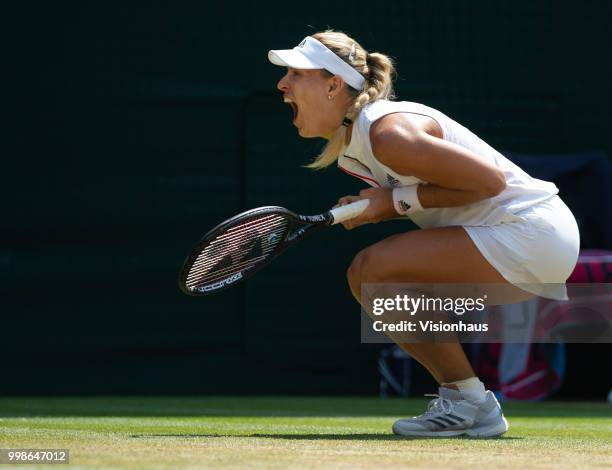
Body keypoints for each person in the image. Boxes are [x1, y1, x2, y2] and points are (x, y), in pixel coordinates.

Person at [267, 30, 580, 438]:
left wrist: (392, 203)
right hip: (521, 237)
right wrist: (381, 206)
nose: (282, 84)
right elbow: (448, 197)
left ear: (333, 85)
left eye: (295, 73)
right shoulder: (362, 141)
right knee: (369, 278)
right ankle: (468, 401)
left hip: (532, 232)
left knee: (374, 269)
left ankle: (470, 402)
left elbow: (489, 184)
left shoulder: (387, 134)